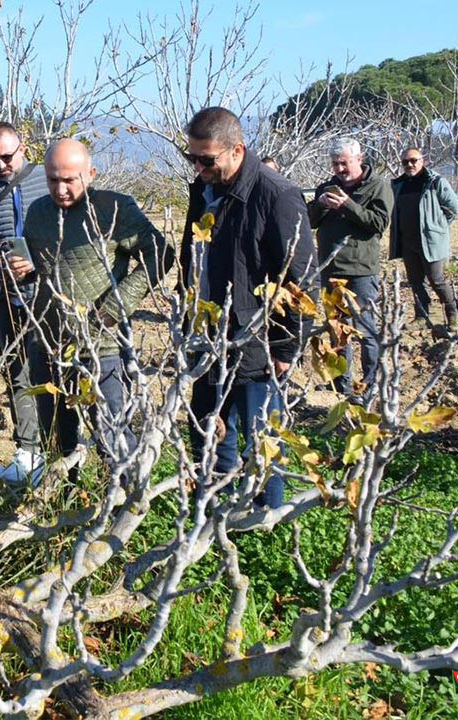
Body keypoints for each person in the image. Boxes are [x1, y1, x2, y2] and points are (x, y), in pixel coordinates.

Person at [7, 138, 172, 477]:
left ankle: (127, 502)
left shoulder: (115, 208)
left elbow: (162, 253)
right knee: (58, 433)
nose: (61, 188)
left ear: (91, 173)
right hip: (50, 342)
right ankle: (66, 499)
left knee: (112, 433)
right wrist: (23, 270)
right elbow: (39, 268)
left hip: (102, 344)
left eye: (70, 179)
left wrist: (118, 303)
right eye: (53, 179)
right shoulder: (38, 213)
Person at [179, 107, 315, 510]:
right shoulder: (202, 190)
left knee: (262, 441)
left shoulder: (277, 195)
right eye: (192, 158)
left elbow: (302, 280)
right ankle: (217, 512)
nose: (198, 167)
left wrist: (287, 350)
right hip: (206, 338)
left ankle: (263, 521)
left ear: (237, 150)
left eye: (207, 159)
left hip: (258, 343)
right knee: (210, 431)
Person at [0, 122, 49, 485]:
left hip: (51, 298)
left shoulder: (51, 178)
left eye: (6, 156)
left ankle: (63, 448)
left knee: (55, 371)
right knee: (16, 373)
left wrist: (39, 264)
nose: (0, 165)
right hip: (6, 299)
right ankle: (28, 452)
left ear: (23, 146)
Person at [308, 137, 392, 399]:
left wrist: (347, 205)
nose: (340, 169)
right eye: (335, 164)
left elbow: (378, 223)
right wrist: (320, 203)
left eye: (344, 163)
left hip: (361, 271)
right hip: (330, 270)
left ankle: (370, 386)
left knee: (366, 331)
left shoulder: (377, 187)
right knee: (337, 330)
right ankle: (340, 382)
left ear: (359, 159)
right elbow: (309, 221)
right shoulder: (328, 187)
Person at [389, 148, 458, 331]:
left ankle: (453, 316)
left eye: (413, 160)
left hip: (431, 242)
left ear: (423, 160)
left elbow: (453, 207)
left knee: (437, 280)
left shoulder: (435, 182)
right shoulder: (398, 185)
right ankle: (422, 317)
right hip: (407, 242)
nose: (409, 165)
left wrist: (437, 228)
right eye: (405, 162)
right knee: (416, 281)